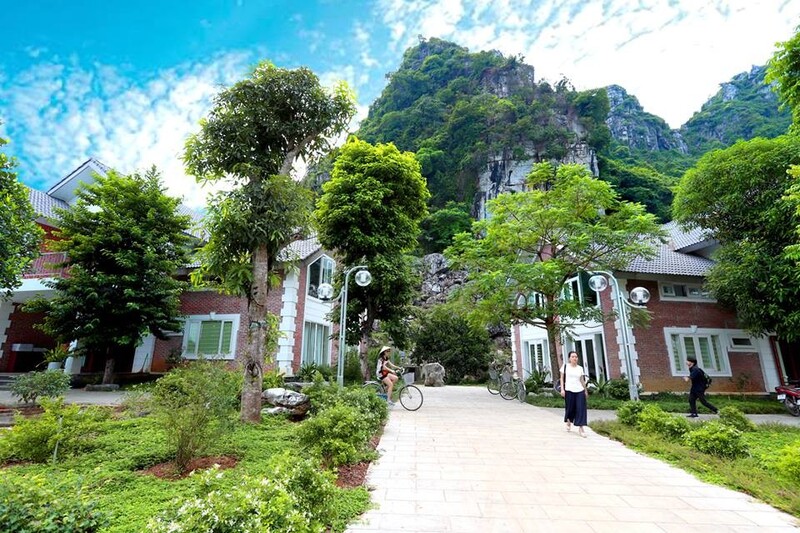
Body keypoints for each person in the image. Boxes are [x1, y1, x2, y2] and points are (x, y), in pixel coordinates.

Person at [560, 351, 589, 437]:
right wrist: (562, 389)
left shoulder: (580, 368)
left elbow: (582, 380)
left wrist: (585, 390)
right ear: (569, 358)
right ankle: (569, 421)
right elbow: (561, 378)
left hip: (579, 390)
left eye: (576, 357)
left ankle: (581, 428)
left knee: (581, 409)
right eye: (572, 357)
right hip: (569, 390)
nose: (574, 358)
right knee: (570, 408)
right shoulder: (565, 366)